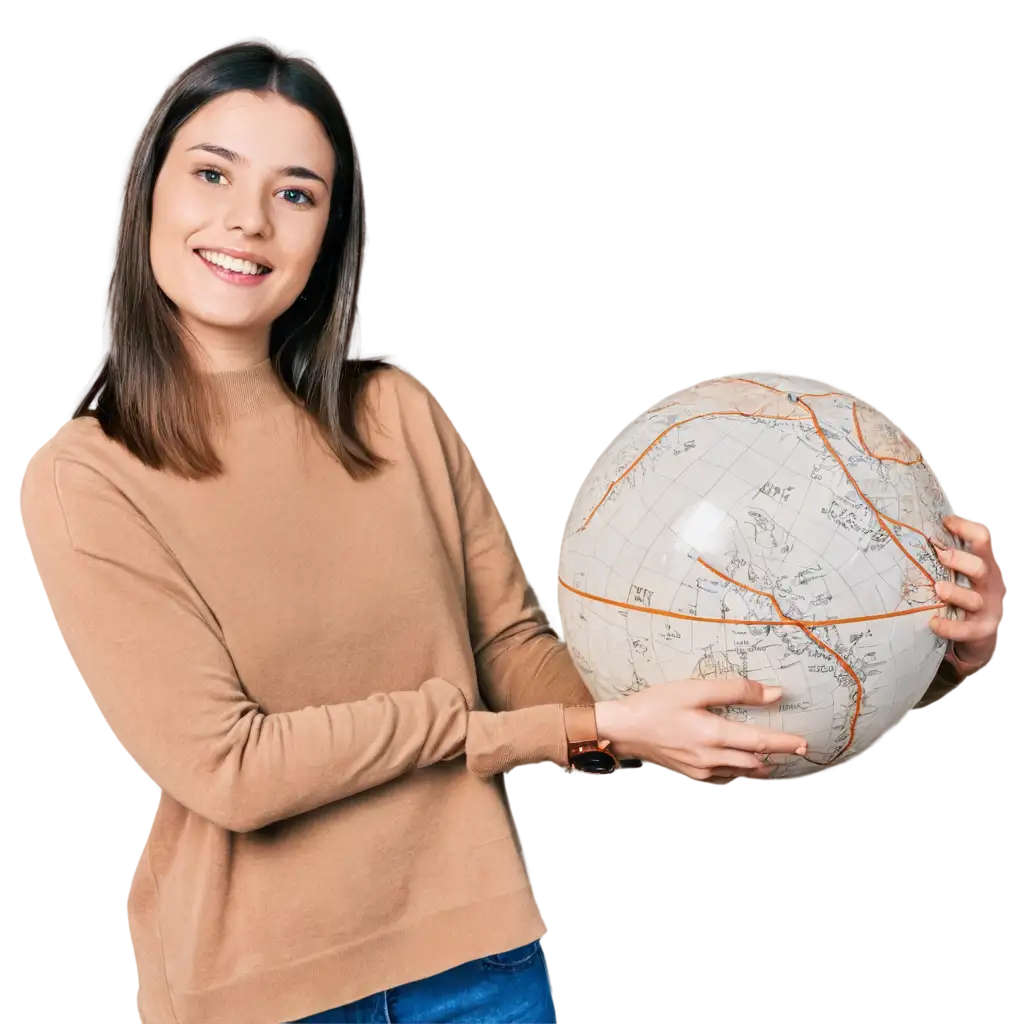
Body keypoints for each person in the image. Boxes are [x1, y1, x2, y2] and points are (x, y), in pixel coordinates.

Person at [21, 43, 1000, 1024]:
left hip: (479, 967)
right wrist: (577, 728)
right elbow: (231, 769)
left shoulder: (394, 414)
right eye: (212, 173)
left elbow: (511, 650)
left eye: (297, 193)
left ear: (330, 231)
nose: (247, 220)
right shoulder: (88, 474)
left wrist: (908, 636)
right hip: (264, 997)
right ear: (151, 190)